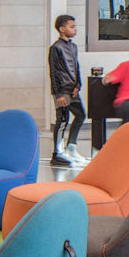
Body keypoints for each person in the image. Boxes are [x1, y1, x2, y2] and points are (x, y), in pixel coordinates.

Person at [48, 14, 86, 167]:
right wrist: (58, 94)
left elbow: (76, 67)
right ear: (62, 29)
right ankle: (57, 153)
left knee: (81, 115)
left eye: (75, 27)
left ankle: (71, 147)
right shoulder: (55, 48)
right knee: (62, 120)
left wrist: (78, 85)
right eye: (72, 27)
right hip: (62, 91)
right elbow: (54, 72)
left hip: (73, 89)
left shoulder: (73, 46)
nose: (75, 30)